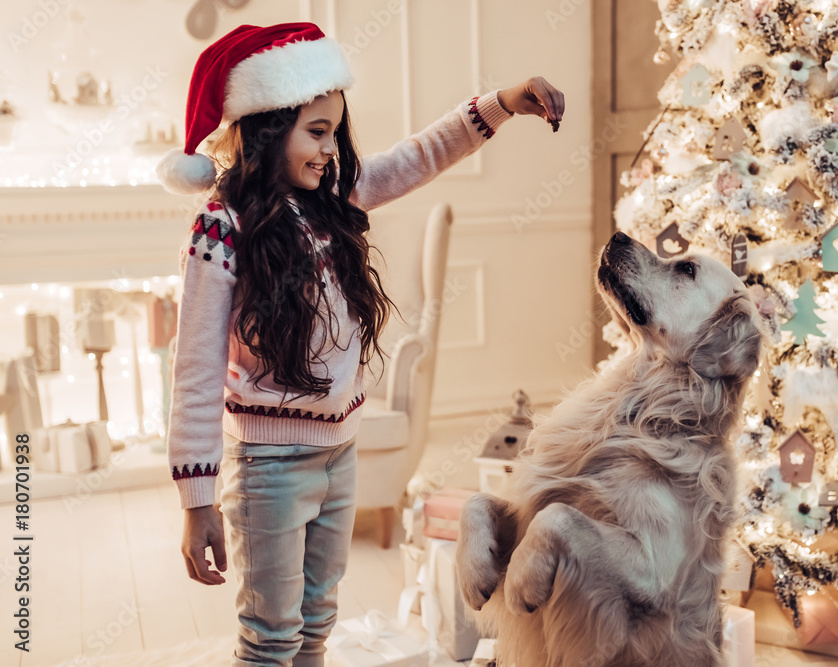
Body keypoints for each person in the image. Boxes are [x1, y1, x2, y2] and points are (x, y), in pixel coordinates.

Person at [156, 21, 564, 667]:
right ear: (265, 127)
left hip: (338, 453)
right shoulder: (221, 227)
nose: (328, 149)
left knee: (317, 621)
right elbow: (196, 370)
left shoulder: (332, 198)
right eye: (314, 132)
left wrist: (501, 102)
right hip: (267, 467)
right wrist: (196, 498)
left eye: (333, 132)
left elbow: (417, 155)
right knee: (269, 636)